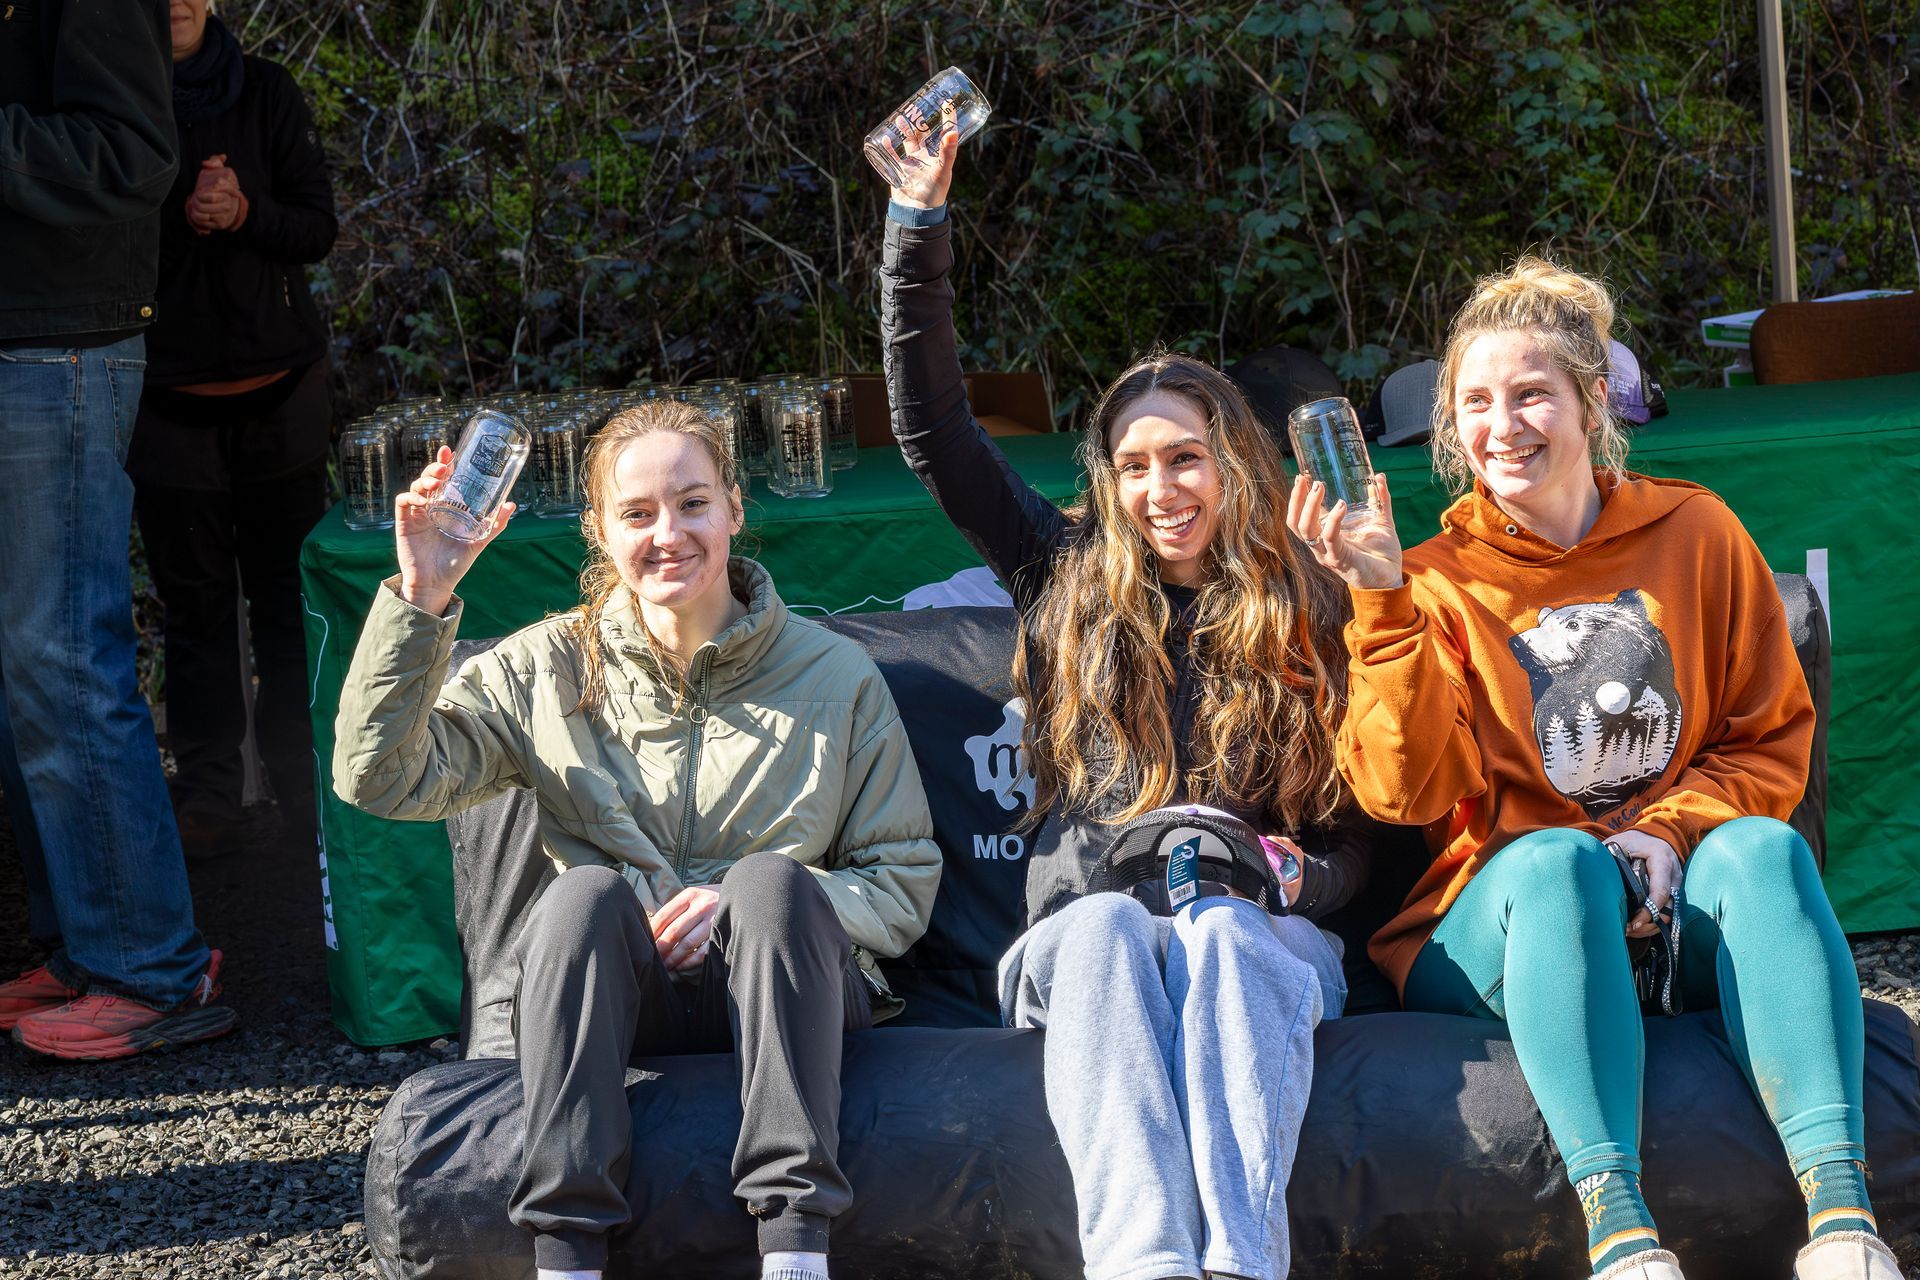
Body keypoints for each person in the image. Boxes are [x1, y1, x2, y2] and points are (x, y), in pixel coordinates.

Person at [1287, 255, 1896, 1280]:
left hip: (1673, 917)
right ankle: (1620, 1233)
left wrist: (1667, 828)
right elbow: (1405, 792)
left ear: (1590, 405)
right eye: (1474, 402)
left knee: (1760, 847)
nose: (1502, 424)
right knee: (1562, 861)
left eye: (1531, 394)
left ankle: (1843, 1219)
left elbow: (1769, 740)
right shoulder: (1432, 580)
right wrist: (1381, 600)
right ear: (1448, 427)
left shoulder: (1698, 531)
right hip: (1503, 926)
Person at [881, 129, 1369, 1280]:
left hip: (1266, 939)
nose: (1163, 489)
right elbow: (934, 429)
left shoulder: (1313, 603)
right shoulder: (1064, 578)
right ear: (1108, 480)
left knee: (1224, 934)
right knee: (1107, 927)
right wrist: (917, 230)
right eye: (1136, 465)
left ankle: (1241, 1263)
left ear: (1233, 463)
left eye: (1186, 458)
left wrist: (1297, 873)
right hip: (1088, 929)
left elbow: (1366, 841)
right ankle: (1145, 1265)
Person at [332, 401, 941, 1280]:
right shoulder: (541, 666)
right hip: (628, 997)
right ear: (599, 532)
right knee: (580, 897)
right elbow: (376, 777)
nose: (670, 533)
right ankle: (568, 1256)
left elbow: (903, 879)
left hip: (787, 992)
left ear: (734, 508)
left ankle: (798, 1251)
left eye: (693, 503)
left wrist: (755, 899)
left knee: (770, 883)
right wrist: (423, 596)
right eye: (638, 513)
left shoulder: (834, 675)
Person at [0, 0, 235, 1060]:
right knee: (22, 669)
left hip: (61, 353)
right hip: (20, 343)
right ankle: (88, 946)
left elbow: (132, 155)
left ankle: (154, 965)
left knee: (65, 654)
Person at [127, 0, 339, 858]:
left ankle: (306, 790)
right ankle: (210, 798)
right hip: (166, 396)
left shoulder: (267, 91)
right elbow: (96, 243)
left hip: (279, 390)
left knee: (288, 603)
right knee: (196, 608)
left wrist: (246, 213)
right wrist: (187, 215)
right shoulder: (117, 96)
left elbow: (317, 226)